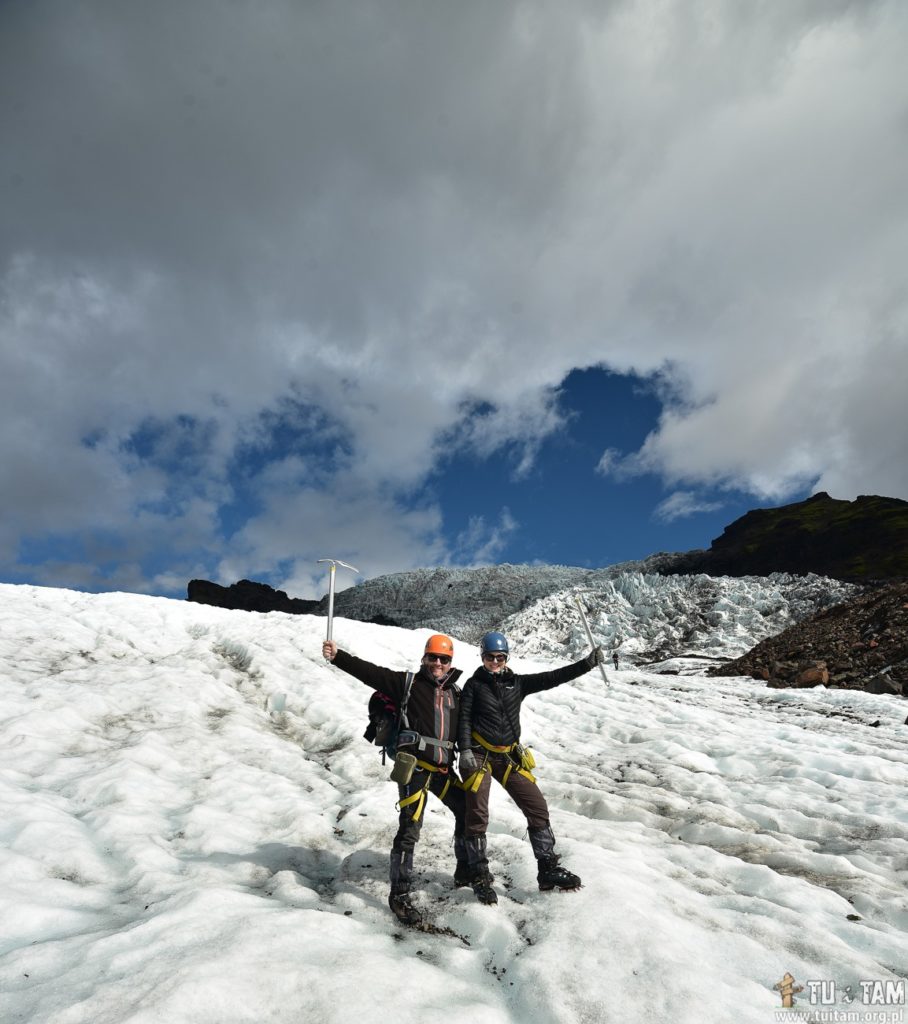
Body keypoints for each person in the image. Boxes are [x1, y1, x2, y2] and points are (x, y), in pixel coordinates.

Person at [322, 633, 466, 927]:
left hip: (442, 769)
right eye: (433, 657)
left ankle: (465, 870)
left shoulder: (457, 693)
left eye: (444, 659)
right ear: (425, 657)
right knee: (411, 826)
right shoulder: (407, 684)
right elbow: (370, 673)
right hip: (413, 767)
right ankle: (399, 894)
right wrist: (338, 657)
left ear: (451, 662)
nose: (438, 663)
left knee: (466, 811)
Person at [457, 631, 604, 904]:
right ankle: (478, 874)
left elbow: (552, 678)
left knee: (536, 806)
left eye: (500, 657)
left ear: (506, 658)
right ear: (482, 657)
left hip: (508, 756)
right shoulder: (473, 685)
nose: (495, 662)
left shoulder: (517, 683)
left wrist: (586, 664)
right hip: (478, 754)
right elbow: (463, 719)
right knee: (477, 810)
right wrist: (464, 750)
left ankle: (547, 869)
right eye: (490, 657)